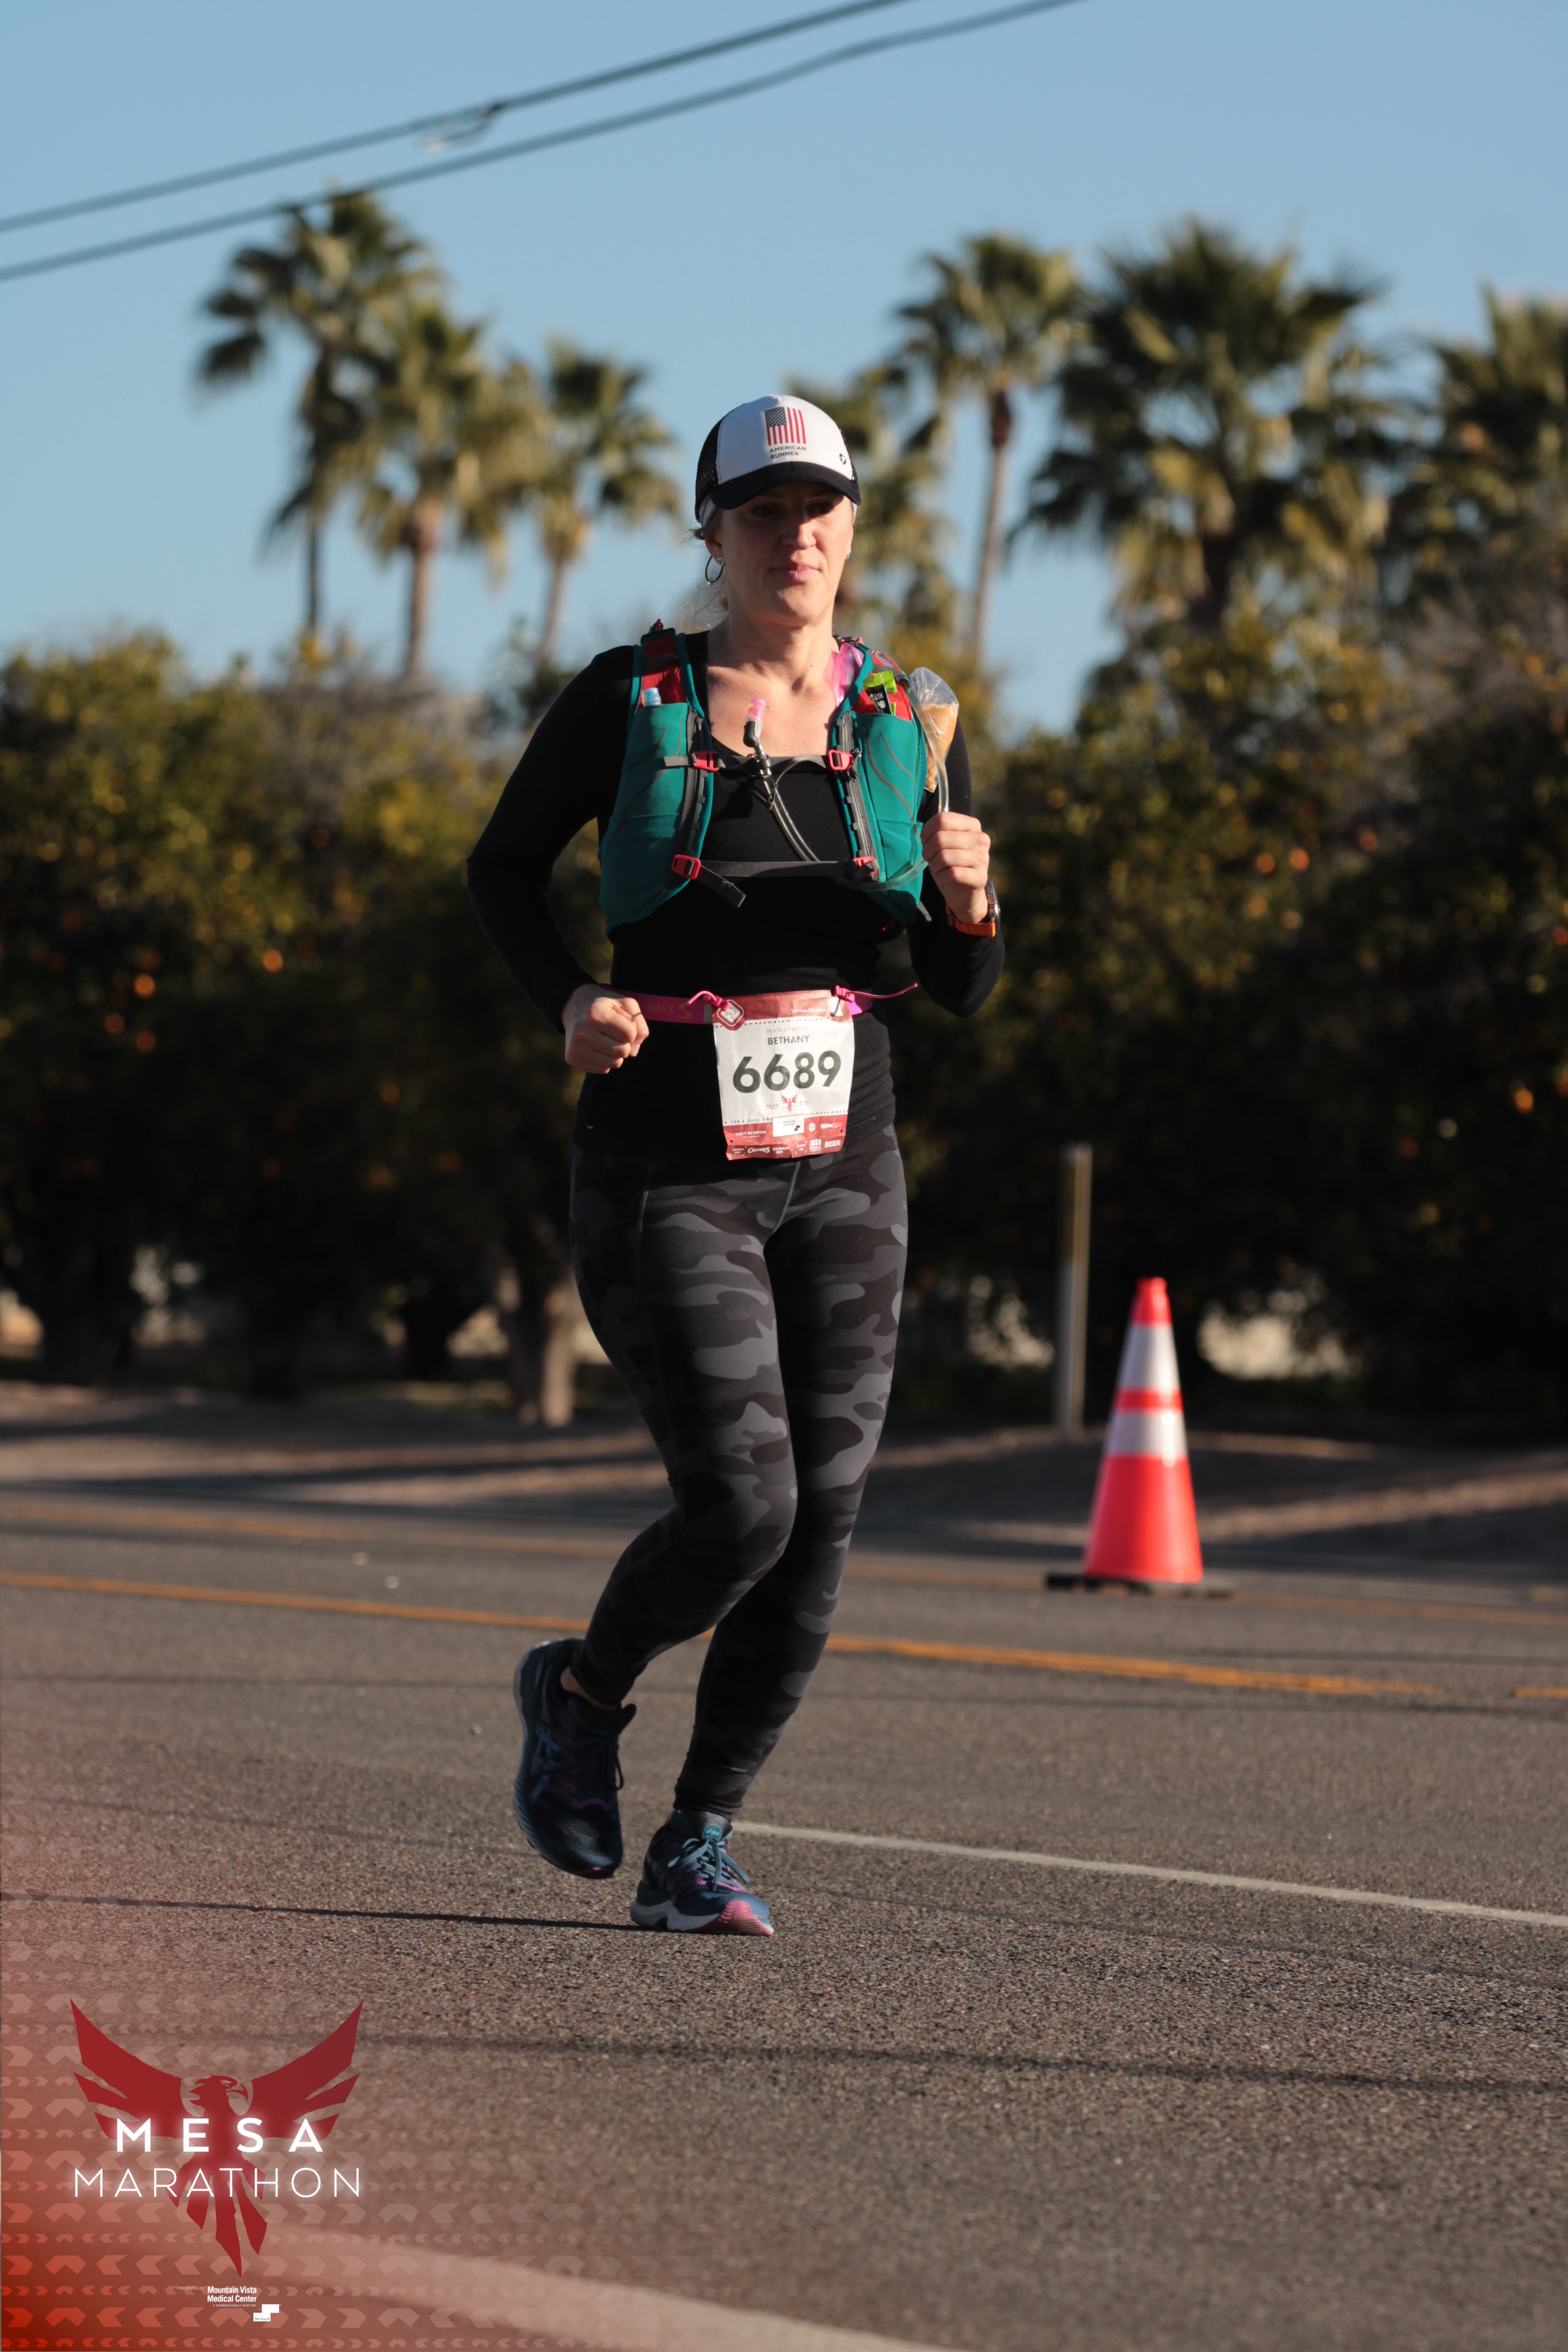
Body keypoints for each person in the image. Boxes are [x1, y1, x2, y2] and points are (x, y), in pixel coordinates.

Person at [468, 394, 1002, 1936]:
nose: (797, 535)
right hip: (667, 1167)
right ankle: (581, 1695)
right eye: (764, 511)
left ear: (853, 526)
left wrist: (974, 901)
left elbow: (962, 989)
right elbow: (501, 870)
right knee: (745, 1511)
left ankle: (699, 1840)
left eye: (820, 508)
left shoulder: (909, 717)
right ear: (712, 533)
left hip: (848, 1162)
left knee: (818, 1532)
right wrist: (571, 1000)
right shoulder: (628, 696)